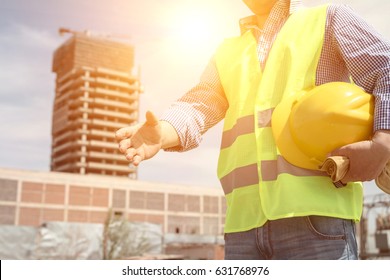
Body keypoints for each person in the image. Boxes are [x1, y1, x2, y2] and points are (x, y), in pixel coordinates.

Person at [116, 0, 390, 259]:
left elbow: (386, 69)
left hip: (317, 220)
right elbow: (199, 103)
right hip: (242, 228)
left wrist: (383, 142)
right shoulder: (227, 52)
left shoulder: (328, 20)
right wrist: (163, 132)